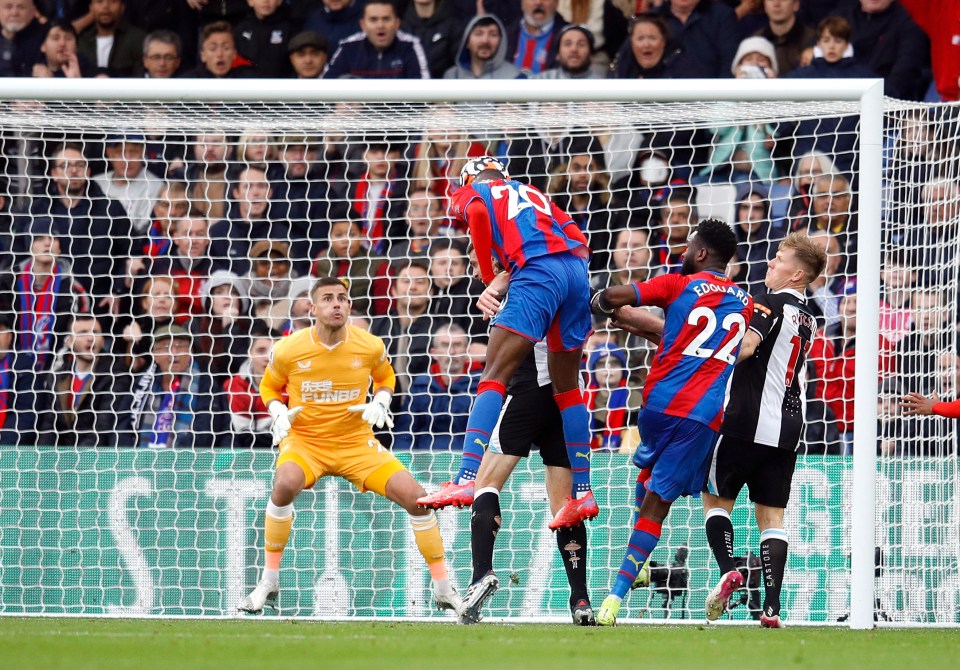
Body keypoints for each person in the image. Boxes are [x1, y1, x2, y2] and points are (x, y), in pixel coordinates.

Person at [238, 277, 462, 616]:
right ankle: (269, 581)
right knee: (284, 484)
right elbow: (269, 387)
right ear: (312, 309)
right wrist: (277, 411)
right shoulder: (288, 348)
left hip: (357, 443)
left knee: (419, 500)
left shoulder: (369, 345)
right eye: (327, 299)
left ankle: (444, 588)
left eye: (342, 298)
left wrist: (382, 400)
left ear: (350, 306)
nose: (337, 304)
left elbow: (387, 378)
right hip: (306, 442)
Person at [416, 156, 597, 531]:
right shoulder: (534, 194)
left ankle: (466, 476)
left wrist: (490, 275)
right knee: (568, 390)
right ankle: (583, 491)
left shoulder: (471, 190)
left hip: (537, 273)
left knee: (493, 375)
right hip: (578, 272)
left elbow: (479, 216)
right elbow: (576, 238)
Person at [589, 218, 753, 626]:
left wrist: (599, 307)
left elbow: (613, 295)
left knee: (647, 475)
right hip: (703, 417)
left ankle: (626, 581)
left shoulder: (676, 285)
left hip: (658, 407)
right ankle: (616, 598)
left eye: (687, 247)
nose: (682, 253)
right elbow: (706, 344)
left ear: (700, 253)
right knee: (657, 503)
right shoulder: (744, 302)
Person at [699, 232, 826, 629]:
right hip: (787, 428)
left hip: (742, 420)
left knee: (715, 503)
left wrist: (706, 365)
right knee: (772, 519)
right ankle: (771, 609)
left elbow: (748, 347)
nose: (770, 263)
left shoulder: (767, 302)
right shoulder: (810, 316)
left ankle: (727, 569)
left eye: (779, 259)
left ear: (797, 274)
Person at [322, 0, 429, 79]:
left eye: (386, 19)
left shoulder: (410, 45)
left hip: (401, 109)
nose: (380, 25)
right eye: (373, 20)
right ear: (363, 25)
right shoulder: (348, 47)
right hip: (358, 109)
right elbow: (325, 87)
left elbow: (425, 90)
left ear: (397, 23)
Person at [77, 0, 145, 76]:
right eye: (99, 1)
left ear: (122, 8)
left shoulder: (137, 39)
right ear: (91, 8)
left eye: (113, 1)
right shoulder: (82, 42)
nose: (105, 6)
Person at [444, 14, 521, 80]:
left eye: (493, 34)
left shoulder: (514, 76)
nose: (485, 40)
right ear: (467, 42)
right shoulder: (452, 76)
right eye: (478, 34)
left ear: (500, 42)